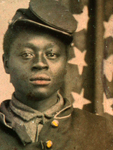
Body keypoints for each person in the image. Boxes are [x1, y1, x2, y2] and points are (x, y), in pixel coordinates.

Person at [0, 0, 113, 149]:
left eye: (51, 54)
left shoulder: (102, 130)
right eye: (26, 54)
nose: (40, 63)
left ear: (66, 64)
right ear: (6, 63)